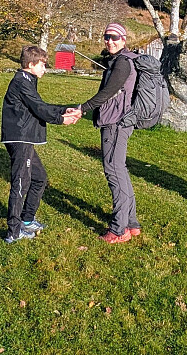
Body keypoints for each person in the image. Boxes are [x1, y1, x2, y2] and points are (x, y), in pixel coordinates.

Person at [1, 45, 80, 243]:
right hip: (19, 139)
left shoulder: (29, 81)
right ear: (30, 64)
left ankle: (27, 219)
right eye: (42, 65)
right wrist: (62, 120)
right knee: (21, 182)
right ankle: (13, 231)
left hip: (25, 138)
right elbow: (39, 108)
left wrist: (64, 109)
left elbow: (39, 105)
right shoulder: (21, 81)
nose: (45, 69)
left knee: (39, 178)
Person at [78, 22, 141, 244]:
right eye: (107, 37)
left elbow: (108, 92)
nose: (110, 41)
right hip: (118, 122)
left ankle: (119, 229)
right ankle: (131, 223)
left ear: (124, 40)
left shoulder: (123, 63)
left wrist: (81, 109)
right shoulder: (119, 61)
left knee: (114, 172)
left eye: (115, 37)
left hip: (115, 124)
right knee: (119, 171)